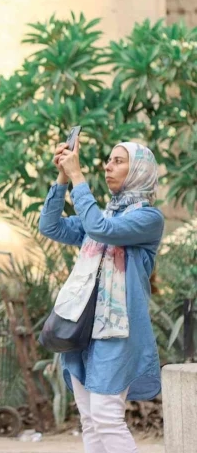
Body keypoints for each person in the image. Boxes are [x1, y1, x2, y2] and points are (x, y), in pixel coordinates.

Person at [39, 139, 163, 453]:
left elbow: (102, 228)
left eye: (118, 161)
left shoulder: (148, 219)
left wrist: (79, 177)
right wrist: (63, 178)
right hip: (83, 326)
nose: (108, 166)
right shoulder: (102, 216)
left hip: (117, 330)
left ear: (139, 170)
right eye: (109, 160)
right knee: (91, 419)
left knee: (107, 416)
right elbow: (50, 225)